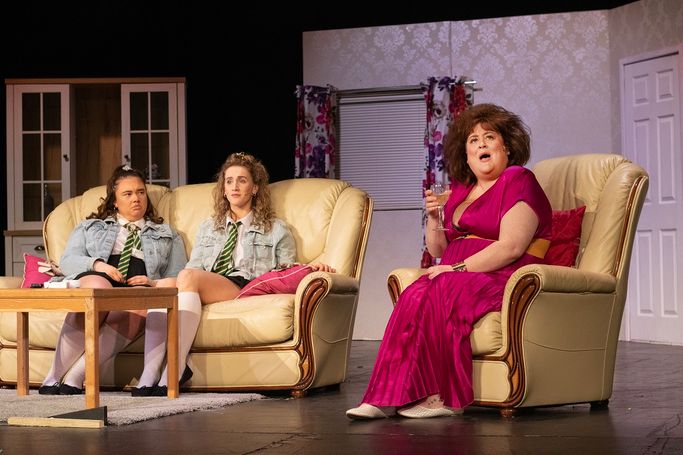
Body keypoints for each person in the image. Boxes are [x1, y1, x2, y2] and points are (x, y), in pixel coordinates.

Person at [346, 103, 553, 419]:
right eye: (473, 140)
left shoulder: (518, 179)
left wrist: (457, 269)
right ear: (466, 155)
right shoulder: (460, 189)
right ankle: (384, 396)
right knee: (414, 293)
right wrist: (433, 217)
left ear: (507, 148)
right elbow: (438, 247)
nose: (481, 145)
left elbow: (511, 247)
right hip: (458, 274)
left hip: (503, 275)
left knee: (444, 286)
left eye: (490, 137)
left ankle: (444, 397)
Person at [133, 151, 334, 396]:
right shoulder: (209, 227)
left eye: (242, 180)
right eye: (229, 181)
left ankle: (176, 366)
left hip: (244, 284)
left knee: (186, 278)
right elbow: (194, 267)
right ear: (224, 189)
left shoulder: (275, 228)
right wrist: (159, 282)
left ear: (255, 188)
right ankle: (149, 373)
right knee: (160, 288)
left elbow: (285, 270)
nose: (234, 186)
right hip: (207, 281)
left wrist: (313, 268)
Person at [39, 165, 187, 395]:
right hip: (98, 280)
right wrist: (99, 265)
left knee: (140, 302)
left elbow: (177, 276)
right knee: (99, 288)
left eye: (140, 192)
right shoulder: (90, 227)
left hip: (136, 288)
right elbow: (67, 261)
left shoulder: (167, 234)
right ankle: (53, 377)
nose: (136, 199)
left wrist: (152, 283)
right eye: (127, 194)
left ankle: (77, 376)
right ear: (114, 201)